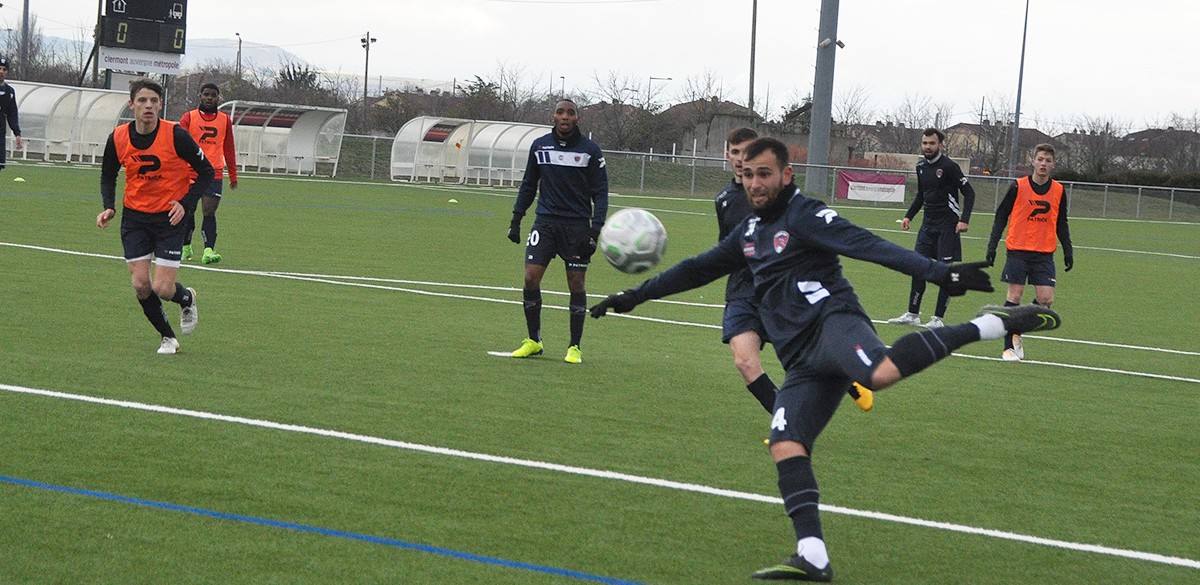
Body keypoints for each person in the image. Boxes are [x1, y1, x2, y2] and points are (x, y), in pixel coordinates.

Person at [589, 138, 1060, 581]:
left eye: (765, 174)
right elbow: (696, 269)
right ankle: (813, 554)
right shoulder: (749, 232)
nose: (755, 183)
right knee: (785, 441)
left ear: (786, 175)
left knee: (878, 374)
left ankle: (993, 325)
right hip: (802, 359)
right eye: (749, 174)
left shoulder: (805, 213)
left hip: (834, 324)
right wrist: (635, 296)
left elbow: (866, 245)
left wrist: (939, 272)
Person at [97, 78, 214, 355]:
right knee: (140, 285)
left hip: (169, 219)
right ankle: (168, 338)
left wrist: (185, 204)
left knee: (162, 288)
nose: (148, 106)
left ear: (160, 105)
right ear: (131, 105)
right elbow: (108, 174)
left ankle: (186, 298)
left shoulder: (176, 135)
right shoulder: (118, 137)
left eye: (153, 101)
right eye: (142, 101)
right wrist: (109, 206)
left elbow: (206, 171)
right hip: (135, 218)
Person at [507, 98, 608, 364]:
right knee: (530, 277)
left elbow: (601, 193)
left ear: (577, 118)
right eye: (560, 112)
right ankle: (533, 341)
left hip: (577, 227)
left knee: (576, 283)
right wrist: (516, 219)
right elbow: (529, 185)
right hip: (545, 223)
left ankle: (574, 347)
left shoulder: (591, 151)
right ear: (553, 116)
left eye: (570, 113)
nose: (565, 117)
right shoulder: (539, 146)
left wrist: (595, 231)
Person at [985, 143, 1073, 361]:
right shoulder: (1018, 186)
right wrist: (992, 245)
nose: (1043, 164)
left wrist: (1068, 249)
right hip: (1018, 250)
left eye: (1048, 161)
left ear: (1053, 165)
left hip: (1044, 253)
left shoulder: (1059, 191)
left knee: (1046, 300)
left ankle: (1017, 329)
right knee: (1014, 296)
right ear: (1032, 161)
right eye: (1040, 159)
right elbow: (1000, 216)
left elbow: (1061, 221)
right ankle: (1007, 347)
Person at [887, 128, 976, 329]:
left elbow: (969, 193)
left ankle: (937, 319)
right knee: (917, 268)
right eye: (925, 143)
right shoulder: (920, 167)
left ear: (940, 145)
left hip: (947, 227)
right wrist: (908, 216)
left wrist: (964, 220)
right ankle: (912, 314)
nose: (928, 147)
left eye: (932, 143)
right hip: (927, 227)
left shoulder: (950, 167)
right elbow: (921, 195)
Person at [178, 82, 238, 265]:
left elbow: (229, 148)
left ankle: (208, 251)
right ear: (200, 96)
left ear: (218, 98)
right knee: (188, 210)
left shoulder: (225, 120)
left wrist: (233, 175)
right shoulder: (188, 118)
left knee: (209, 211)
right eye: (206, 94)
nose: (209, 98)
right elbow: (177, 145)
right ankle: (185, 247)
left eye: (213, 95)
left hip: (214, 173)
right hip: (190, 172)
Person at [0, 56, 24, 173]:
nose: (1, 72)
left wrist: (17, 133)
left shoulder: (10, 92)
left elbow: (12, 114)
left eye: (4, 69)